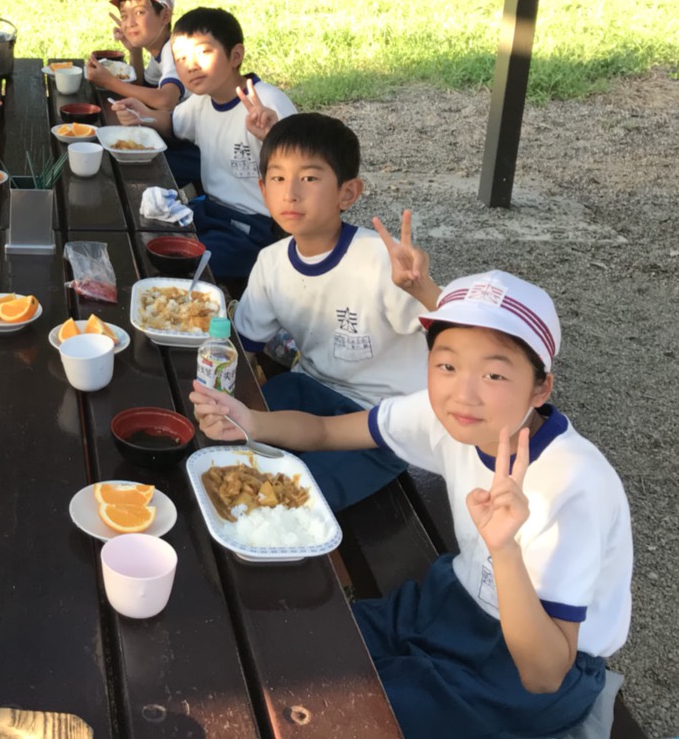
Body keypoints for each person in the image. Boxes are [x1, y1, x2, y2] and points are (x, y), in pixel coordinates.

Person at [191, 271, 632, 739]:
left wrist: (505, 550)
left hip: (517, 670)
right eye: (447, 365)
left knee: (331, 711)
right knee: (287, 645)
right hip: (449, 602)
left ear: (541, 388)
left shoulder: (574, 484)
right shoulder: (447, 413)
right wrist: (249, 421)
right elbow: (326, 431)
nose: (463, 392)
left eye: (494, 374)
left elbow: (544, 675)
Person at [232, 112, 431, 510]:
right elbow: (243, 347)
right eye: (277, 178)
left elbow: (459, 334)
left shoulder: (382, 262)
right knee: (228, 437)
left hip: (381, 420)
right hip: (310, 387)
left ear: (348, 193)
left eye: (309, 178)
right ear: (262, 188)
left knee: (295, 497)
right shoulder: (272, 262)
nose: (290, 193)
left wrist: (423, 289)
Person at [113, 6, 295, 282]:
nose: (191, 66)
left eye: (204, 52)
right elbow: (172, 124)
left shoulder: (267, 104)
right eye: (181, 58)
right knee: (143, 235)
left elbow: (303, 168)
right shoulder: (202, 101)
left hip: (254, 228)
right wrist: (143, 114)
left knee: (180, 266)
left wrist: (272, 139)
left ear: (235, 55)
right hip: (209, 211)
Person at [82, 0, 199, 188]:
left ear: (165, 16)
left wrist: (109, 82)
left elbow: (165, 100)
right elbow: (142, 88)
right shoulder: (158, 50)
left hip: (196, 152)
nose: (129, 23)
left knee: (117, 170)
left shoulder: (174, 50)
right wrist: (134, 51)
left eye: (140, 13)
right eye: (124, 16)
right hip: (174, 137)